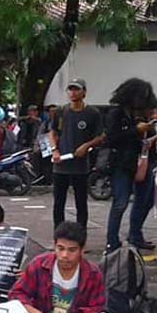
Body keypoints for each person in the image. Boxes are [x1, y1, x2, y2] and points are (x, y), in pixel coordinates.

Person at [9, 221, 106, 313]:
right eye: (60, 248)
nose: (65, 255)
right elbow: (16, 294)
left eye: (72, 250)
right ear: (54, 246)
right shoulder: (38, 265)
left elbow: (97, 307)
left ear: (82, 250)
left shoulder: (93, 274)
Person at [103, 78, 157, 253]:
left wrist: (150, 127)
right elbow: (112, 138)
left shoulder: (139, 114)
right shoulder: (116, 113)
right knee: (120, 202)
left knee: (147, 199)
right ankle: (112, 240)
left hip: (140, 160)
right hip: (122, 163)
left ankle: (135, 234)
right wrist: (136, 130)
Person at [50, 78, 104, 230]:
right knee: (58, 203)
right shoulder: (61, 111)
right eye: (71, 89)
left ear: (84, 92)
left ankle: (81, 235)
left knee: (81, 202)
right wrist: (55, 150)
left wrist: (86, 146)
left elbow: (100, 136)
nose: (73, 93)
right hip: (61, 164)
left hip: (80, 165)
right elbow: (52, 132)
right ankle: (58, 234)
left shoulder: (92, 113)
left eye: (77, 89)